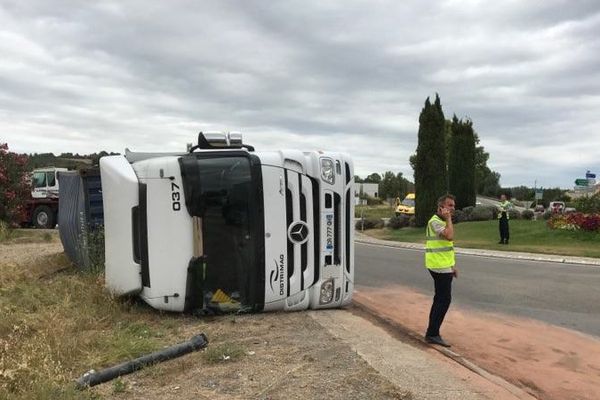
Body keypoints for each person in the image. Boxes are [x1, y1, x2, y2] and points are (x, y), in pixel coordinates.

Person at [424, 194, 457, 347]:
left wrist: (452, 266)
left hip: (444, 265)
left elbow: (447, 248)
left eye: (453, 206)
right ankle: (432, 333)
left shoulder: (442, 221)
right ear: (441, 207)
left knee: (440, 299)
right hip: (438, 266)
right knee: (444, 300)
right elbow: (449, 237)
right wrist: (449, 219)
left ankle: (432, 331)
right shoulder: (435, 222)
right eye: (449, 205)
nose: (452, 208)